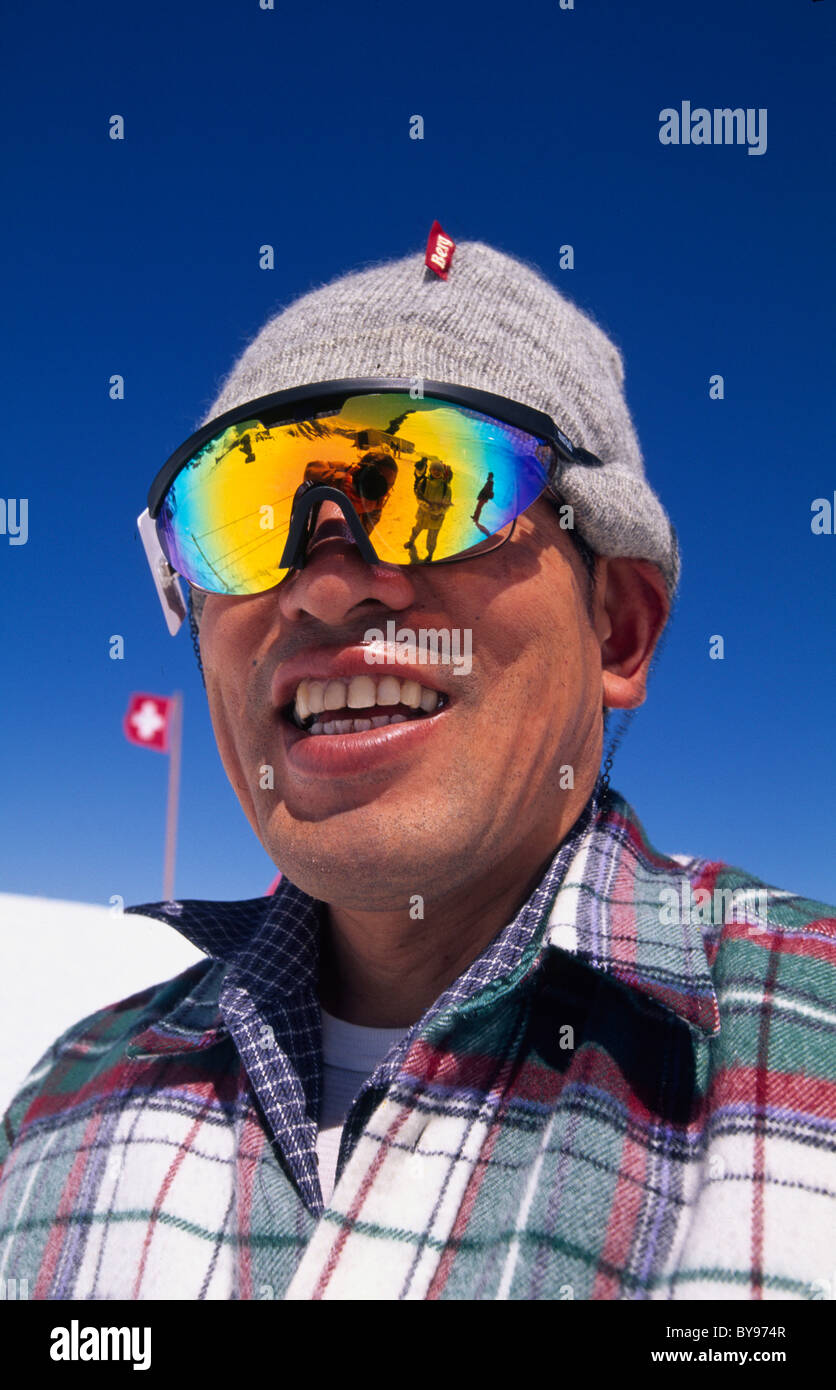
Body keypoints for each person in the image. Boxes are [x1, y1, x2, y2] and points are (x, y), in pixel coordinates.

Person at [1, 241, 833, 1302]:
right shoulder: (63, 1104)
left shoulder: (802, 1059)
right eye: (248, 512)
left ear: (616, 629)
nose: (326, 584)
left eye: (432, 489)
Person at [404, 458, 453, 561]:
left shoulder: (446, 487)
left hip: (436, 518)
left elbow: (447, 504)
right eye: (434, 469)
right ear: (430, 470)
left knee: (432, 538)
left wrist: (437, 511)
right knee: (416, 530)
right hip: (422, 514)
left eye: (439, 470)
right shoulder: (424, 482)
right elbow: (418, 496)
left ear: (442, 472)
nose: (436, 471)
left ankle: (430, 554)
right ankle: (411, 541)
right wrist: (425, 506)